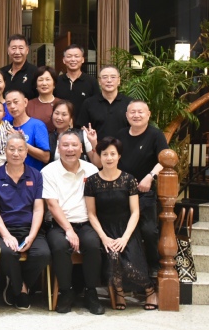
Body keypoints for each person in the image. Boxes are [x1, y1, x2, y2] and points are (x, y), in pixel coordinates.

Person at [84, 137, 158, 311]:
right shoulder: (92, 181)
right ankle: (119, 292)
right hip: (104, 229)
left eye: (113, 154)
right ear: (99, 156)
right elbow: (91, 214)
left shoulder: (128, 179)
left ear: (119, 156)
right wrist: (104, 237)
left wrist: (125, 238)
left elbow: (135, 212)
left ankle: (150, 290)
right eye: (105, 154)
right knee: (113, 257)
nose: (109, 158)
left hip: (127, 229)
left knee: (131, 265)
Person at [41, 131, 104, 315]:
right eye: (65, 145)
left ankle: (91, 292)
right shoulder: (48, 171)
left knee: (93, 244)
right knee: (60, 246)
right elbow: (52, 205)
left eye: (74, 145)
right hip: (59, 224)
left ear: (81, 148)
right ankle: (66, 292)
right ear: (58, 148)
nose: (70, 149)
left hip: (85, 222)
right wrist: (68, 230)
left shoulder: (91, 170)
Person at [0, 133, 50, 310]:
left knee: (43, 254)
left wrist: (31, 236)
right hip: (4, 228)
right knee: (6, 252)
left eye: (20, 149)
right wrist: (6, 235)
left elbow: (38, 209)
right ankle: (21, 290)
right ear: (5, 151)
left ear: (26, 152)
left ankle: (17, 284)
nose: (16, 153)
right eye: (12, 149)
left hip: (30, 228)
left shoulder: (36, 175)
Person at [115, 100, 168, 277]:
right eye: (132, 112)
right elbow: (112, 158)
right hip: (122, 192)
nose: (136, 115)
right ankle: (126, 270)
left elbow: (164, 160)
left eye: (140, 112)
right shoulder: (121, 134)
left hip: (145, 191)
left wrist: (150, 176)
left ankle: (153, 266)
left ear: (148, 114)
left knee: (149, 230)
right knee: (123, 230)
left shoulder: (156, 135)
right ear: (126, 115)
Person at [77, 65, 132, 139]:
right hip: (96, 146)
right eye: (105, 77)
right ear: (99, 81)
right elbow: (83, 129)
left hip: (124, 146)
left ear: (119, 80)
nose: (109, 80)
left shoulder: (129, 103)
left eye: (113, 77)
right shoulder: (89, 103)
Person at [5, 90, 50, 171]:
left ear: (25, 102)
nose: (12, 106)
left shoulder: (37, 125)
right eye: (8, 103)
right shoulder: (7, 126)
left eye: (16, 102)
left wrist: (21, 141)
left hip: (32, 175)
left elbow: (45, 157)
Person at [48, 99, 101, 168]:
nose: (59, 118)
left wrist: (94, 143)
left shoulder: (82, 135)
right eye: (57, 113)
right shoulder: (49, 137)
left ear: (71, 118)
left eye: (64, 114)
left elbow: (98, 164)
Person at [55, 44, 100, 123]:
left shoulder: (91, 81)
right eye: (69, 56)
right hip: (61, 125)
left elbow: (96, 106)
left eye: (76, 56)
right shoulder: (57, 81)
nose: (73, 59)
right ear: (64, 60)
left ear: (82, 59)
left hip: (84, 127)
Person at [0, 34, 37, 100]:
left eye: (21, 48)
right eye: (13, 48)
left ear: (27, 50)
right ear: (8, 51)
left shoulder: (35, 72)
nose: (17, 52)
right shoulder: (1, 72)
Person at [26, 66, 60, 132]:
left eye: (48, 79)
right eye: (40, 80)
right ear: (36, 84)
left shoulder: (61, 104)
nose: (44, 83)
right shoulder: (28, 105)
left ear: (54, 84)